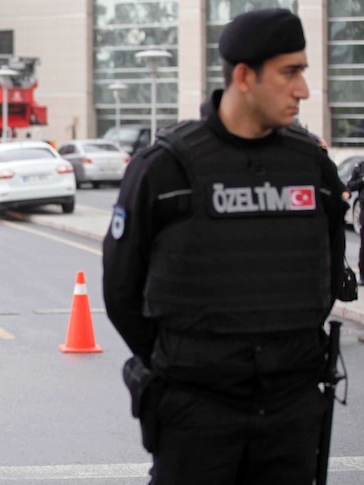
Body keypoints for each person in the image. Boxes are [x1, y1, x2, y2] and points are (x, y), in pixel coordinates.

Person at [102, 9, 347, 485]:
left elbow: (328, 275)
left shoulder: (312, 167)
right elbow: (121, 292)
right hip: (196, 413)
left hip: (290, 412)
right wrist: (183, 365)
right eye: (289, 72)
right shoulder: (164, 170)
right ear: (244, 76)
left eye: (303, 72)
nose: (303, 89)